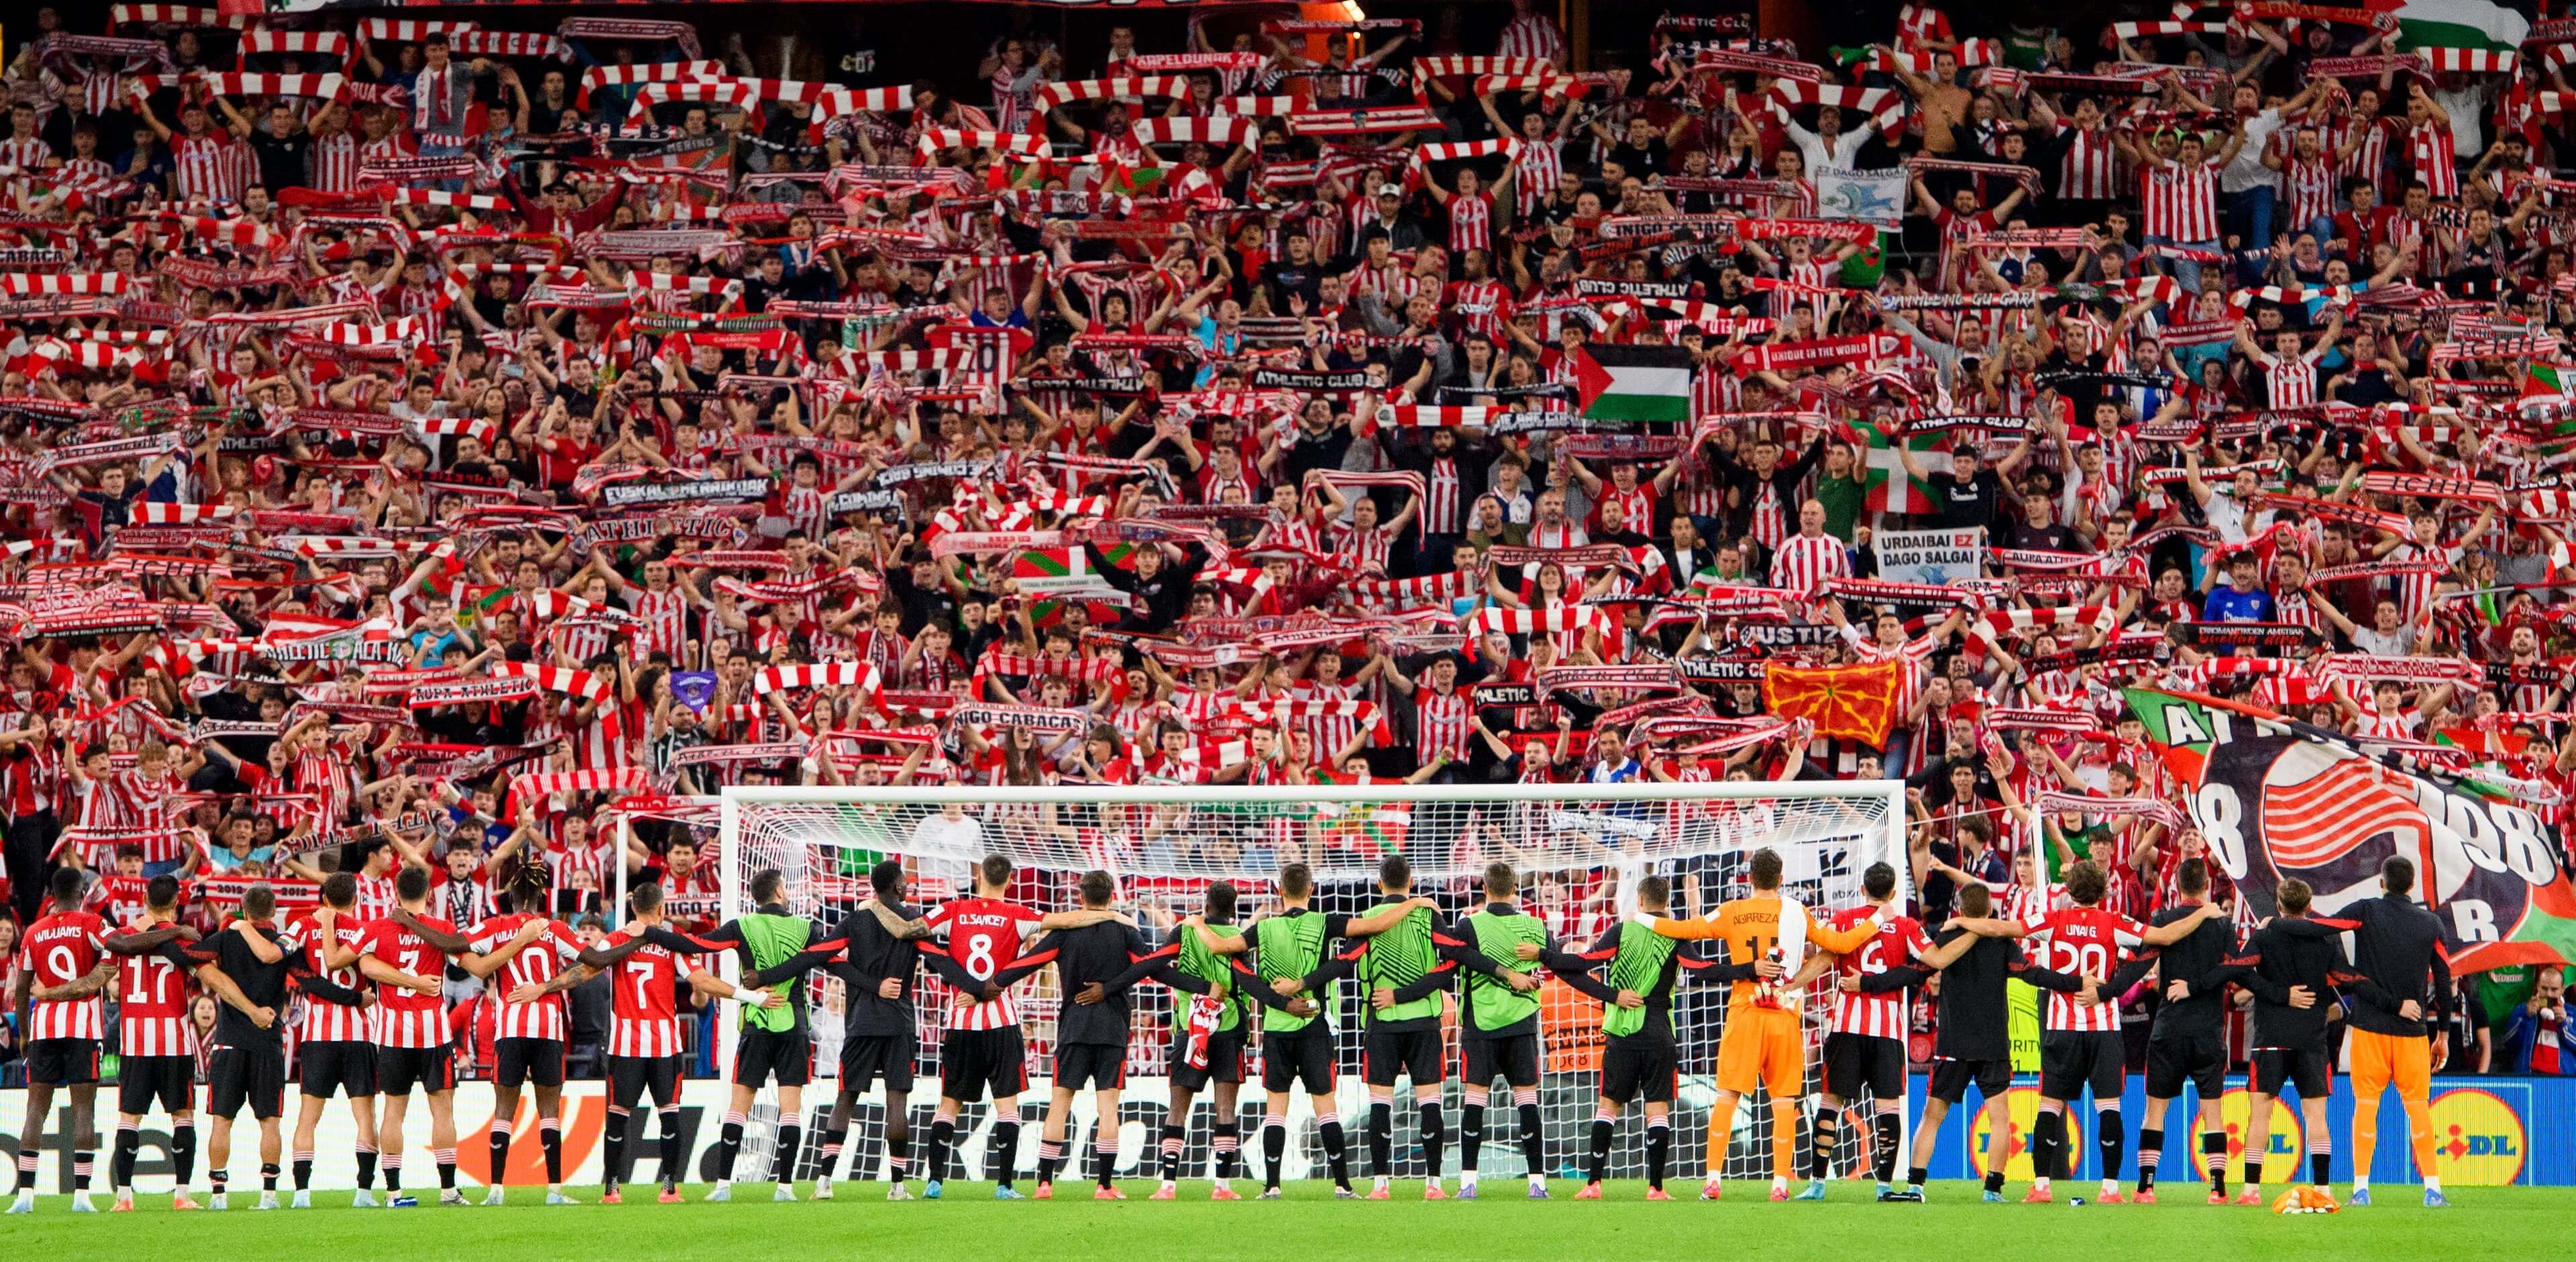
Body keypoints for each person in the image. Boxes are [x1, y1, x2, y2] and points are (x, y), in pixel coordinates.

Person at [1635, 847, 1887, 1200]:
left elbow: (1685, 928)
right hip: (1784, 1015)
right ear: (1781, 879)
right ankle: (1780, 1185)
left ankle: (1713, 1180)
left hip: (1745, 1012)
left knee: (1727, 1096)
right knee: (1784, 1102)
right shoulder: (1797, 912)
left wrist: (1642, 918)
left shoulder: (1733, 911)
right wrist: (1877, 920)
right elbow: (1841, 943)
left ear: (1748, 878)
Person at [510, 881, 769, 1204]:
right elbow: (701, 980)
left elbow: (583, 971)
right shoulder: (671, 944)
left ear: (633, 908)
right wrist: (749, 996)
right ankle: (669, 1189)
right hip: (664, 1043)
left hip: (625, 1045)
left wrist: (542, 988)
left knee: (618, 1116)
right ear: (661, 909)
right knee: (669, 1113)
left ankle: (612, 1190)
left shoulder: (615, 941)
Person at [1185, 861, 1428, 1198]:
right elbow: (1376, 924)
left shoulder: (1264, 929)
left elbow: (1221, 948)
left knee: (1276, 1110)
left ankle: (1272, 1186)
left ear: (1279, 891)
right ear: (1311, 890)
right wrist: (1412, 902)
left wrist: (1197, 922)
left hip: (1276, 1029)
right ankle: (1343, 1185)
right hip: (1315, 1026)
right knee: (1326, 1108)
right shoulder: (1326, 922)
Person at [1529, 874, 1767, 1200]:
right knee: (1657, 1110)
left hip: (1623, 1032)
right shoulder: (1675, 935)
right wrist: (1749, 969)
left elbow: (1583, 962)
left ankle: (1593, 1184)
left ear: (1639, 901)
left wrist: (1545, 956)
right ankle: (1656, 1187)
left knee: (1608, 1106)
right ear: (1667, 903)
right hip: (1659, 1032)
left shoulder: (1621, 930)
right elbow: (1705, 971)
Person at [2208, 877, 2349, 1209]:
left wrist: (2278, 994)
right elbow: (2346, 978)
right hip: (2312, 1040)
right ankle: (2324, 1189)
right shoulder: (2325, 937)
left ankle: (2251, 1191)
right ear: (2309, 903)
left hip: (2270, 1038)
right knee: (2316, 1116)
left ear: (2279, 904)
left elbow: (2239, 971)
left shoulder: (2266, 934)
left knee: (2260, 1116)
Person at [1804, 862, 1929, 1202]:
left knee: (1831, 1102)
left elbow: (1821, 953)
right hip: (1888, 1031)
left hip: (1846, 1025)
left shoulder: (1844, 920)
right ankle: (1884, 1186)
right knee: (1887, 1108)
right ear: (1892, 893)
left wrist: (1794, 983)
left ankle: (1817, 1183)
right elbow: (1930, 962)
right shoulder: (1906, 925)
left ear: (1863, 890)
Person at [2336, 856, 2453, 1208]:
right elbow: (2445, 981)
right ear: (2413, 885)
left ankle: (2361, 1189)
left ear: (2382, 883)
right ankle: (2432, 1189)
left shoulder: (2366, 910)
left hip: (2369, 1028)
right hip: (2413, 1033)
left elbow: (2325, 926)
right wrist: (2443, 1034)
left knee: (2367, 1105)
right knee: (2418, 1107)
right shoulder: (2431, 923)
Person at [2129, 858, 2240, 1205]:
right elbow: (2233, 970)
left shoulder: (2163, 920)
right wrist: (2200, 985)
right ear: (2207, 884)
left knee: (2155, 1110)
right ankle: (2218, 1189)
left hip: (2169, 1028)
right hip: (2208, 1030)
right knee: (2213, 1111)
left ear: (2176, 886)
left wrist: (2109, 990)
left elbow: (2141, 962)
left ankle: (2146, 1188)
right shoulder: (2222, 924)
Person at [101, 875, 210, 1212]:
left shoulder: (126, 937)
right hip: (174, 1042)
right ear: (176, 904)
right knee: (182, 1116)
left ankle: (123, 1197)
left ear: (145, 899)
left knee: (129, 1118)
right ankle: (182, 1195)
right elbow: (205, 975)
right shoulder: (183, 942)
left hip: (134, 1041)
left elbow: (109, 979)